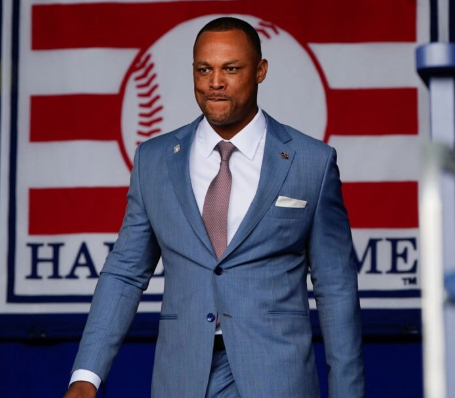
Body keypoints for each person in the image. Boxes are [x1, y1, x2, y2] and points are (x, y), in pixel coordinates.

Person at [63, 17, 365, 398]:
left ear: (260, 72)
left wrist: (348, 391)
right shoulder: (155, 160)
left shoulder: (311, 162)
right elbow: (125, 272)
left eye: (231, 69)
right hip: (182, 376)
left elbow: (336, 286)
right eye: (204, 69)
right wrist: (86, 376)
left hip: (277, 376)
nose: (215, 82)